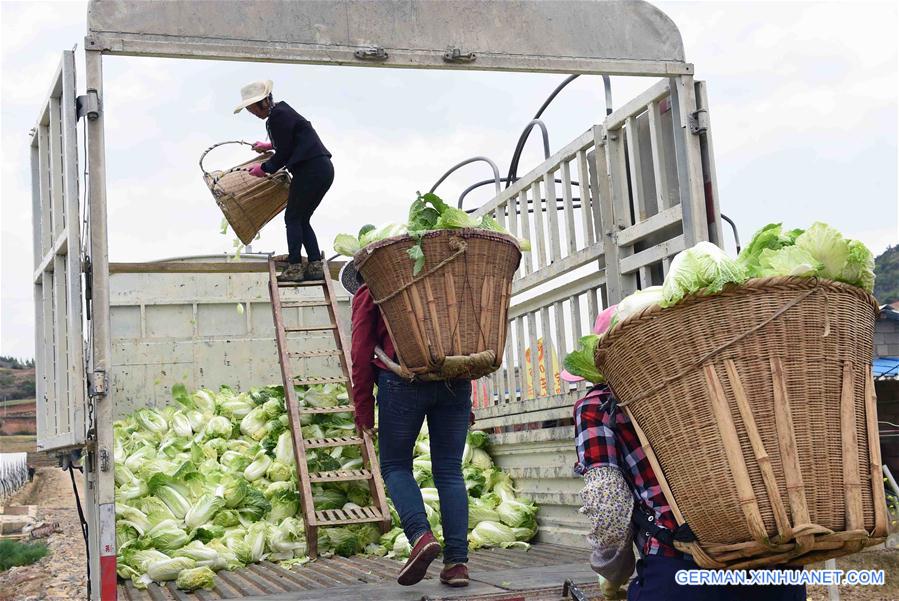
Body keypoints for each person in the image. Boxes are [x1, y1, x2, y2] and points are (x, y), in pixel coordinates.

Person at [568, 306, 806, 601]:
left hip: (683, 569)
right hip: (775, 564)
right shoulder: (726, 380)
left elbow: (609, 508)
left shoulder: (597, 406)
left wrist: (613, 573)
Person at [350, 273, 472, 588]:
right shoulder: (440, 285)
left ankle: (420, 535)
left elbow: (360, 353)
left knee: (394, 466)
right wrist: (464, 404)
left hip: (402, 381)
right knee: (449, 470)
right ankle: (457, 563)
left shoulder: (371, 289)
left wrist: (364, 411)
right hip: (454, 381)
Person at [235, 80, 334, 282]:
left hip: (310, 169)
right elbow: (290, 140)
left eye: (251, 108)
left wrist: (264, 168)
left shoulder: (277, 116)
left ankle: (295, 267)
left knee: (292, 218)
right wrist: (268, 145)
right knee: (301, 218)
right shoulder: (282, 112)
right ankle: (315, 265)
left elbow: (285, 152)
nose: (251, 113)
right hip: (321, 169)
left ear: (262, 102)